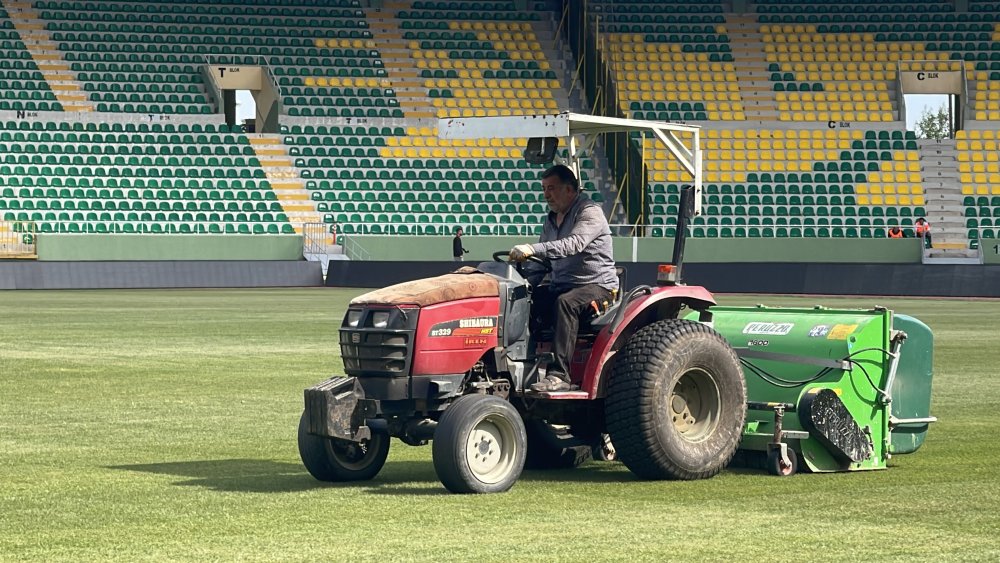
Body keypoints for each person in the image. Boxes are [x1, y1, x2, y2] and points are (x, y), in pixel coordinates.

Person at [509, 164, 618, 392]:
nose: (546, 194)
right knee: (521, 299)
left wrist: (532, 248)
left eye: (552, 188)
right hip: (562, 285)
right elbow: (543, 264)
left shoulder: (589, 212)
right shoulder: (550, 220)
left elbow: (573, 244)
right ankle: (517, 363)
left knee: (566, 303)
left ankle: (559, 375)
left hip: (596, 285)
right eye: (544, 188)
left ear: (570, 190)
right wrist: (522, 284)